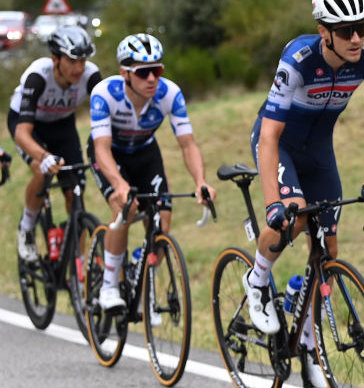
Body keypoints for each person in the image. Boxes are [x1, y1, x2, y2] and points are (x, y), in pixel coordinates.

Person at [243, 0, 364, 388]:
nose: (357, 37)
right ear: (324, 32)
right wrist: (273, 203)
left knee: (328, 249)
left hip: (319, 150)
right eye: (345, 31)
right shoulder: (298, 60)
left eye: (362, 26)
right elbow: (269, 137)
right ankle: (256, 280)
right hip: (280, 144)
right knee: (290, 220)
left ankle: (308, 343)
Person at [88, 33, 216, 314]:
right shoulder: (105, 93)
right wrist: (120, 184)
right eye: (143, 72)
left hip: (145, 152)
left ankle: (141, 278)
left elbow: (188, 144)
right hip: (111, 154)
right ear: (125, 73)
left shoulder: (170, 94)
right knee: (127, 208)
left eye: (156, 70)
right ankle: (109, 285)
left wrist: (200, 181)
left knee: (163, 222)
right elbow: (101, 148)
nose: (151, 79)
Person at [7, 26, 102, 261]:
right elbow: (21, 133)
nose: (79, 68)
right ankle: (27, 228)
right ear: (55, 59)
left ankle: (76, 263)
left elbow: (109, 114)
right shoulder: (38, 76)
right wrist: (43, 156)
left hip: (62, 124)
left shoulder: (91, 75)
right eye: (71, 61)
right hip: (28, 125)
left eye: (82, 60)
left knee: (75, 189)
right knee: (42, 170)